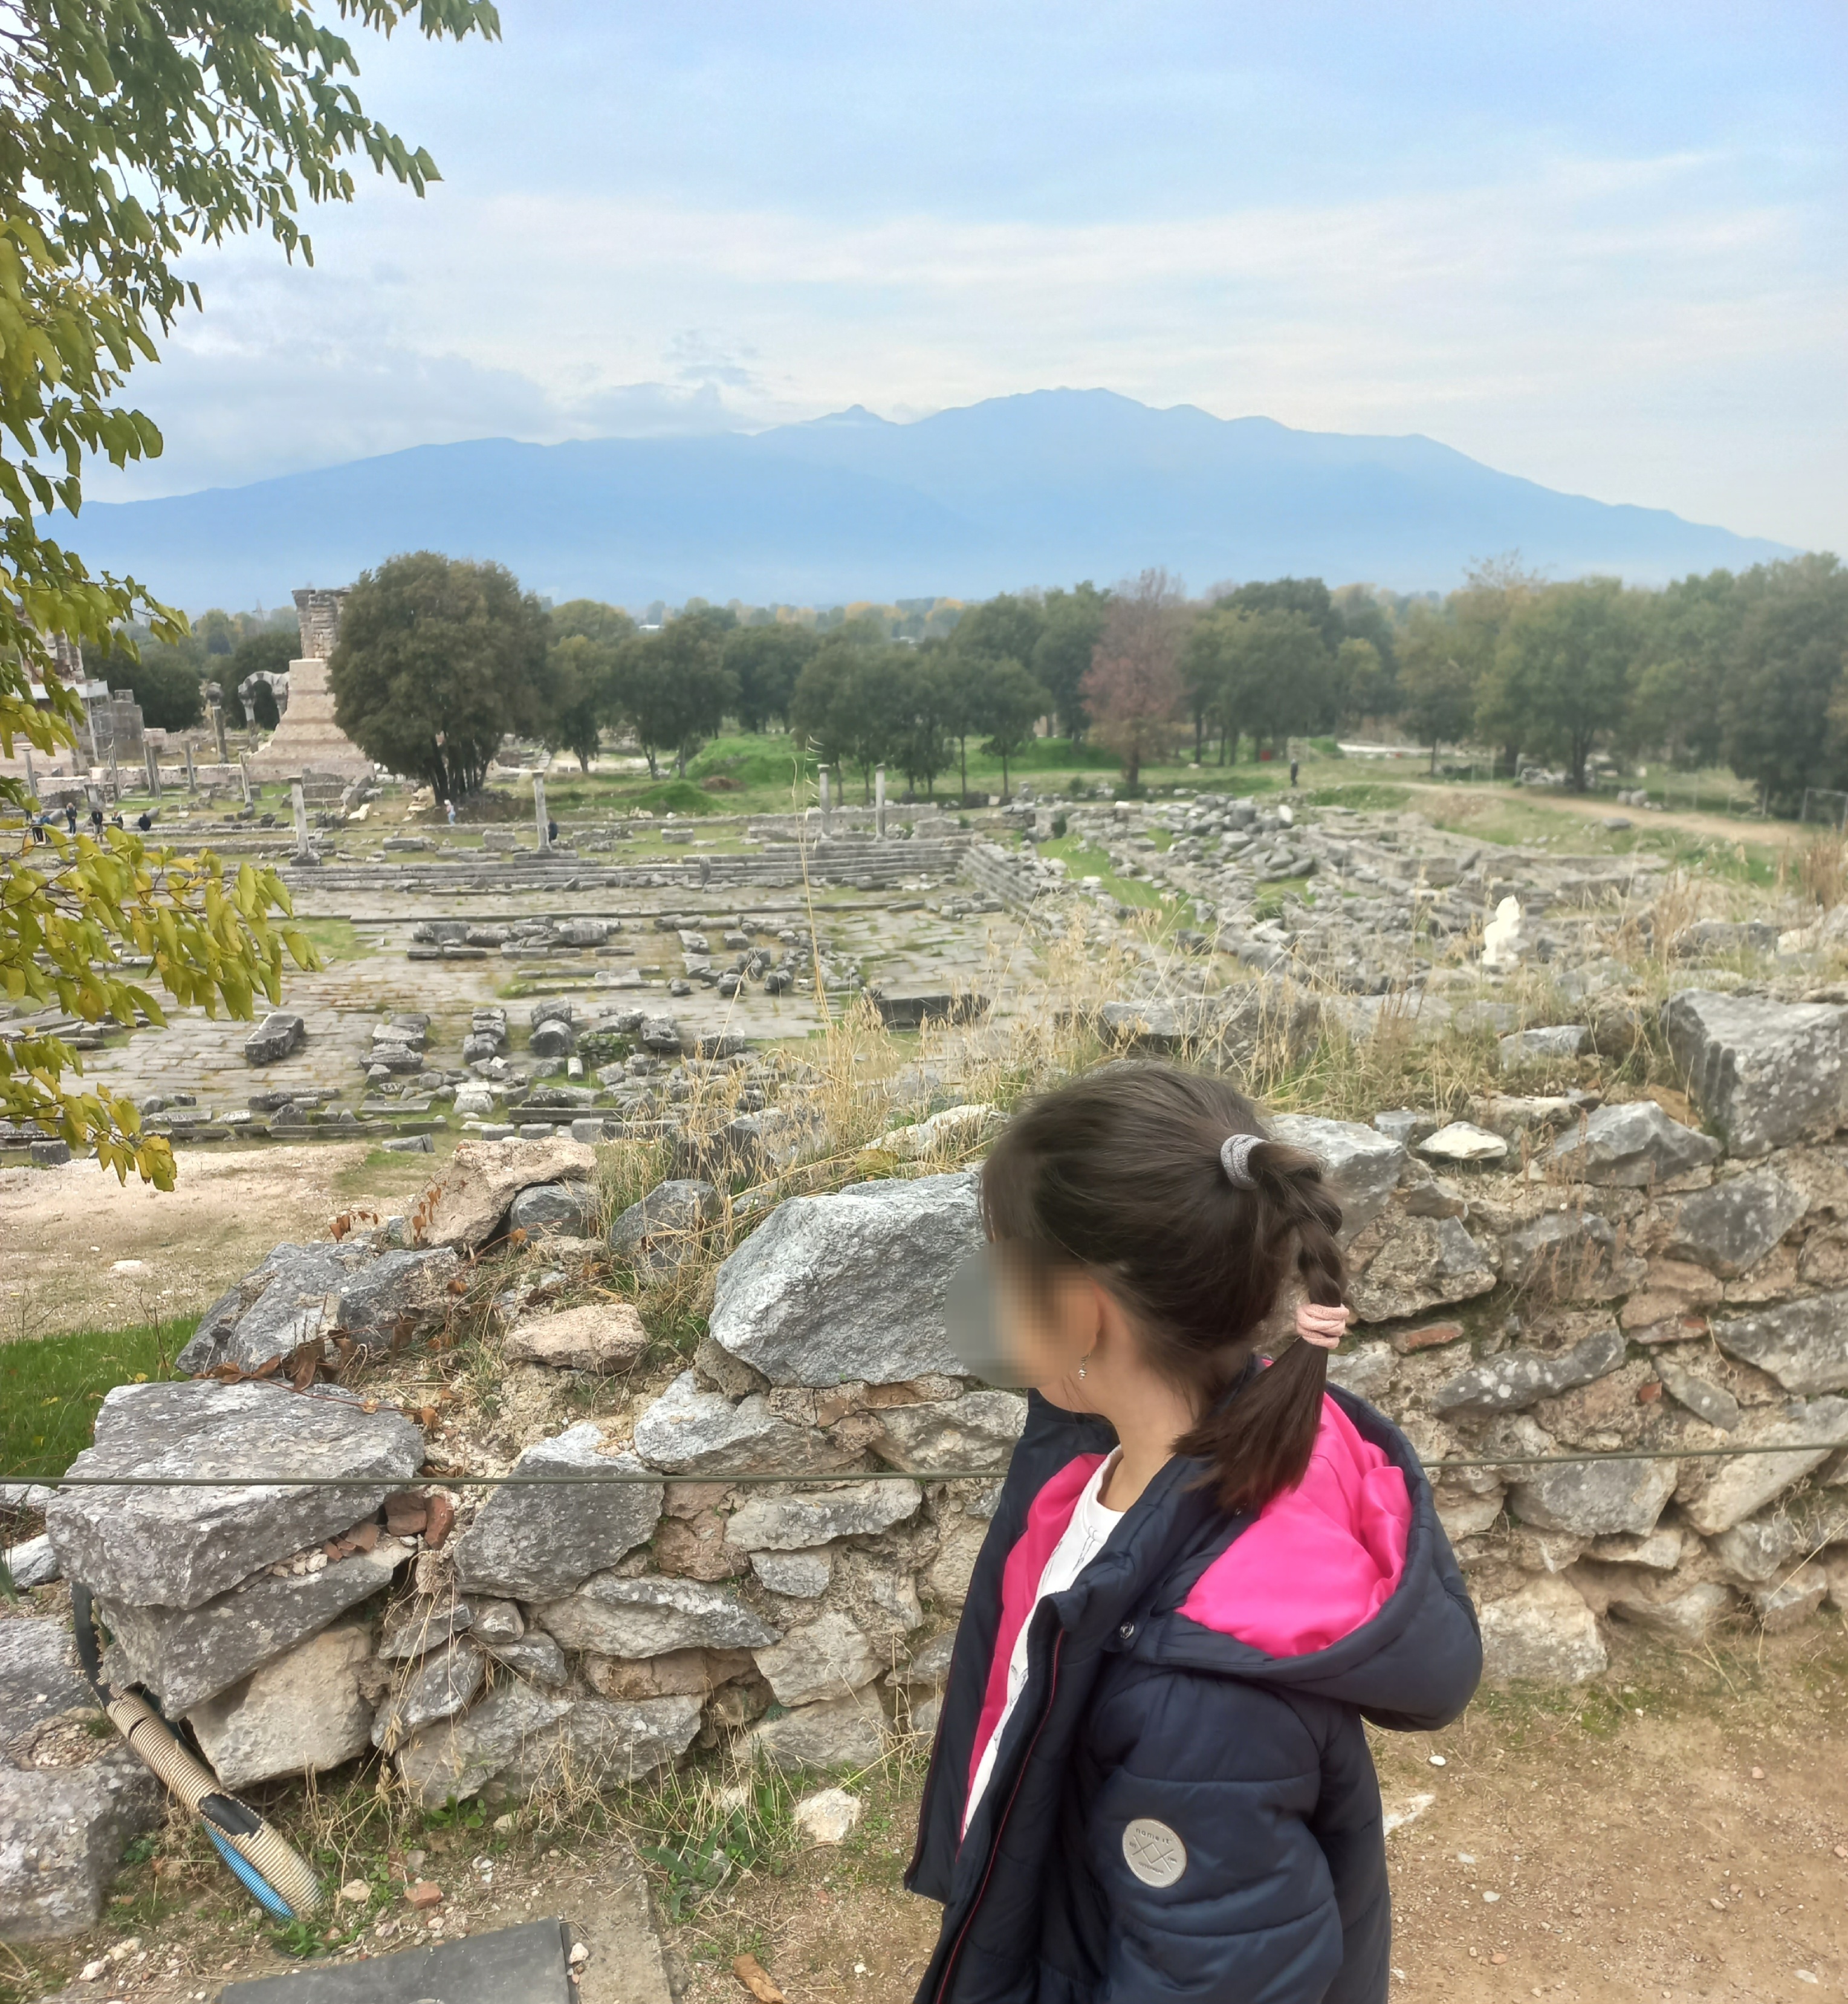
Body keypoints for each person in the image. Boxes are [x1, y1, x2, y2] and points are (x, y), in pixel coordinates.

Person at [913, 1064, 1481, 2004]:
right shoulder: (1109, 1457)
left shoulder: (1196, 1706)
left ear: (1081, 1312)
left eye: (1000, 1267)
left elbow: (1212, 1975)